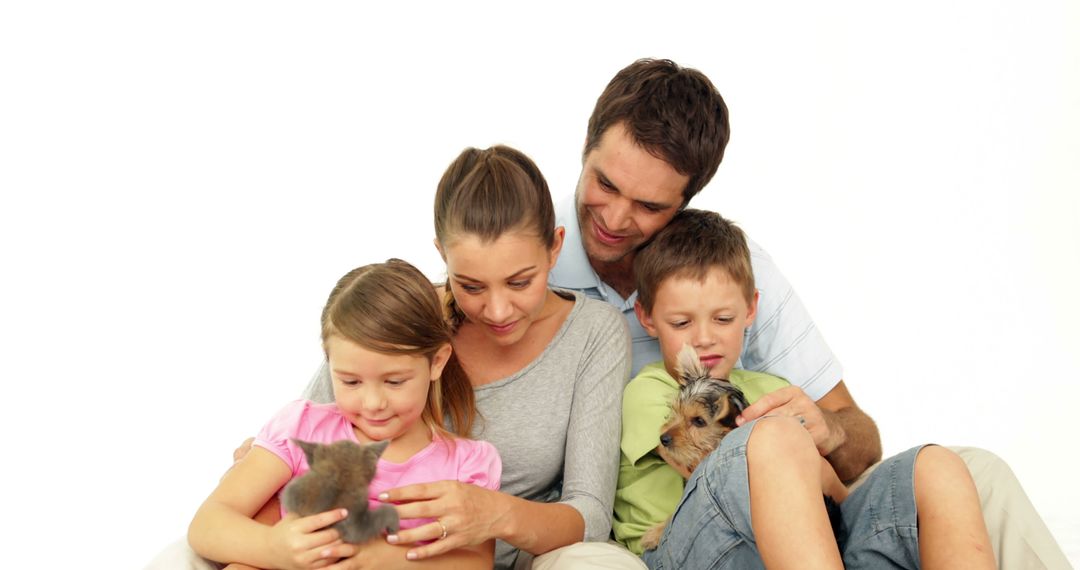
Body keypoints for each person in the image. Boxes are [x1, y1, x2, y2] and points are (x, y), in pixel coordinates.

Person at [548, 57, 1069, 568]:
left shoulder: (730, 271)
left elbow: (858, 438)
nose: (616, 218)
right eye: (606, 185)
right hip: (637, 532)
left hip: (781, 508)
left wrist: (829, 432)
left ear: (686, 200)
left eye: (649, 206)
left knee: (971, 473)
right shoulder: (521, 263)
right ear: (585, 148)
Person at [289, 145, 631, 570]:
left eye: (520, 282)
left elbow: (591, 512)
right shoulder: (405, 318)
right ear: (442, 256)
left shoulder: (594, 332)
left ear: (554, 248)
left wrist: (494, 514)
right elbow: (307, 432)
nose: (498, 310)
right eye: (470, 286)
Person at [617, 208, 996, 569]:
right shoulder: (652, 389)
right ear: (647, 318)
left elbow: (830, 481)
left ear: (750, 310)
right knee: (774, 440)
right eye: (682, 322)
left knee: (937, 467)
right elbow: (698, 462)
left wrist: (832, 459)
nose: (703, 338)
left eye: (723, 318)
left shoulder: (775, 388)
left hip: (799, 539)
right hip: (682, 549)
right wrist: (788, 450)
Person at [186, 259, 502, 569]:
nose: (373, 402)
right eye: (350, 381)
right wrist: (273, 548)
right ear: (330, 364)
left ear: (436, 362)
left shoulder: (466, 464)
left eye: (394, 381)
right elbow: (209, 522)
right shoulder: (302, 429)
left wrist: (389, 559)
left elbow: (477, 562)